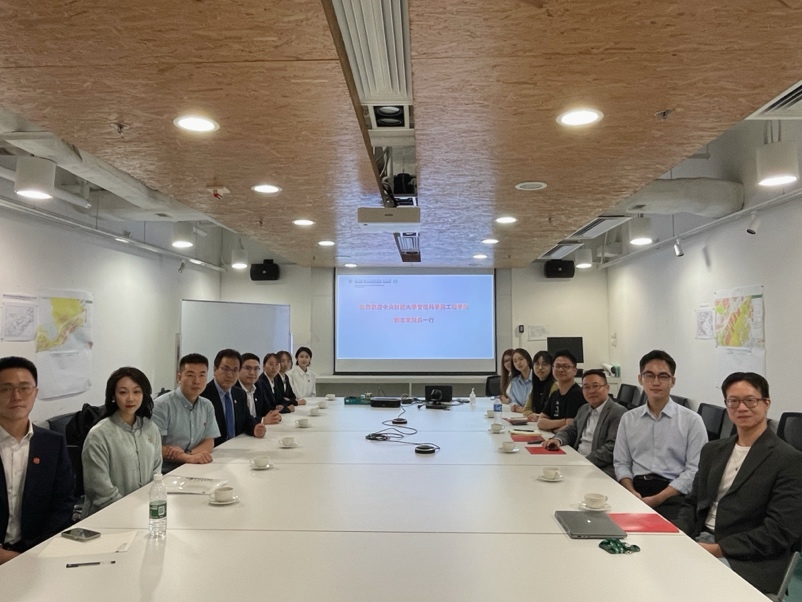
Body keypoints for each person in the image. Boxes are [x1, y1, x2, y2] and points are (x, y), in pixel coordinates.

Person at [675, 372, 802, 594]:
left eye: (750, 400)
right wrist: (678, 535)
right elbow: (692, 503)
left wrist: (718, 549)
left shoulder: (788, 460)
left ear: (766, 403)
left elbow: (779, 531)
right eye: (733, 401)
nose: (741, 408)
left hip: (748, 557)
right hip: (700, 539)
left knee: (687, 587)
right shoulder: (712, 450)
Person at [613, 349, 707, 520]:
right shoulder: (629, 419)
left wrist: (658, 498)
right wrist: (631, 491)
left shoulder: (692, 421)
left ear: (673, 381)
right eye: (649, 375)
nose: (656, 382)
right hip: (634, 488)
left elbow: (695, 470)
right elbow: (621, 462)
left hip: (674, 494)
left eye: (663, 376)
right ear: (640, 379)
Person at [0, 356, 74, 564]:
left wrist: (36, 552)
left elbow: (63, 503)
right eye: (6, 389)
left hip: (38, 554)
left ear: (35, 393)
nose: (16, 396)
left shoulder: (52, 444)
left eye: (24, 388)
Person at [81, 367, 162, 516]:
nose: (130, 398)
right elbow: (102, 492)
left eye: (136, 392)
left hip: (143, 512)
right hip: (107, 516)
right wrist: (131, 512)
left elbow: (156, 473)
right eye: (123, 392)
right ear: (113, 395)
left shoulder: (150, 428)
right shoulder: (99, 435)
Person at [542, 369, 625, 477]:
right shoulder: (584, 409)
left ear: (607, 388)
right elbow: (571, 430)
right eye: (586, 387)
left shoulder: (618, 412)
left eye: (596, 386)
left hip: (600, 468)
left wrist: (583, 461)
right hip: (578, 461)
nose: (591, 391)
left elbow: (612, 448)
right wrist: (557, 440)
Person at [152, 353, 220, 472]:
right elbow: (154, 447)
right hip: (166, 472)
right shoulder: (161, 405)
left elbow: (209, 441)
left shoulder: (207, 405)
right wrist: (188, 458)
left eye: (202, 375)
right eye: (190, 375)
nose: (196, 381)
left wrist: (189, 454)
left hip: (195, 466)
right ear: (179, 378)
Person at [204, 349, 268, 446]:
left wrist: (254, 428)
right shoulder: (204, 395)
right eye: (225, 369)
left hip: (237, 446)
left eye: (235, 370)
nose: (230, 375)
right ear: (215, 369)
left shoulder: (239, 393)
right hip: (214, 449)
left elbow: (246, 420)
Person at [537, 350, 585, 432]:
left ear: (575, 371)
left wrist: (552, 429)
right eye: (557, 366)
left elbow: (570, 427)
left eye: (565, 366)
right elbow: (540, 422)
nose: (561, 370)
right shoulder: (555, 394)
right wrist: (563, 421)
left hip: (567, 440)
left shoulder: (577, 394)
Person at [522, 351, 556, 421]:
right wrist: (534, 415)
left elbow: (553, 413)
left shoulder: (555, 386)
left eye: (544, 364)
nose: (540, 368)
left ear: (552, 367)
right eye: (537, 364)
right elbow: (526, 410)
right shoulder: (534, 386)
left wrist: (538, 416)